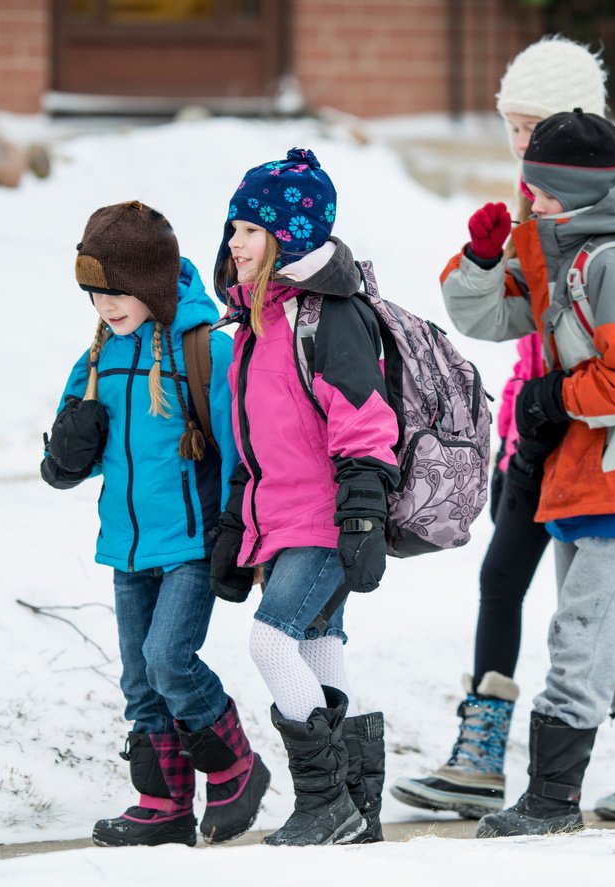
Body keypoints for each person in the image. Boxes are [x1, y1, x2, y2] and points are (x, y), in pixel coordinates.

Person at [391, 35, 615, 825]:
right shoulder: (558, 238)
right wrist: (477, 259)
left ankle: (551, 795)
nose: (522, 174)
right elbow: (497, 314)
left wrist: (554, 399)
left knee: (582, 635)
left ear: (566, 178)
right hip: (574, 458)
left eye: (534, 154)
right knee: (614, 642)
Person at [41, 200, 270, 847]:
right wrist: (67, 450)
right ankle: (163, 804)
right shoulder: (97, 360)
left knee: (169, 659)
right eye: (94, 295)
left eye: (117, 292)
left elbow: (240, 450)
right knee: (140, 681)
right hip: (125, 546)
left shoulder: (205, 351)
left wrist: (239, 532)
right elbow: (62, 465)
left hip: (192, 545)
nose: (107, 307)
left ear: (150, 285)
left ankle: (235, 764)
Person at [208, 148, 399, 846]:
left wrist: (361, 513)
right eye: (233, 230)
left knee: (270, 640)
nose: (235, 243)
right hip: (283, 518)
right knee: (318, 643)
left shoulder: (328, 316)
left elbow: (364, 419)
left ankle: (326, 804)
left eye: (250, 231)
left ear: (288, 236)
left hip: (327, 518)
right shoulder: (259, 322)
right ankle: (353, 806)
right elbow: (257, 441)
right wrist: (237, 519)